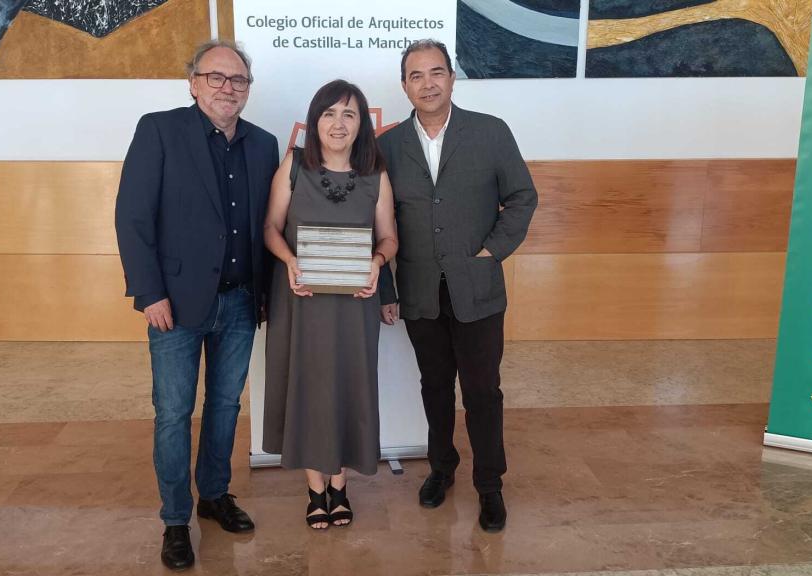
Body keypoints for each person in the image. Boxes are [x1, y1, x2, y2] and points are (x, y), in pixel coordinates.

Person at [114, 40, 279, 570]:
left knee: (226, 406)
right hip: (175, 305)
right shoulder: (159, 130)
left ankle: (213, 495)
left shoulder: (264, 144)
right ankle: (175, 518)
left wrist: (269, 296)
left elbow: (267, 228)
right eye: (217, 78)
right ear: (192, 82)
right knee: (173, 413)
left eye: (239, 80)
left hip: (239, 302)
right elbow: (132, 217)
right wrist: (149, 292)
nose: (228, 88)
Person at [378, 40, 538, 532]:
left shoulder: (490, 133)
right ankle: (442, 469)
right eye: (416, 75)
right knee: (434, 388)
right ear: (404, 85)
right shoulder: (386, 145)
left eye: (436, 73)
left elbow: (522, 197)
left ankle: (490, 486)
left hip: (478, 289)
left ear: (452, 78)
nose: (427, 83)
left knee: (483, 392)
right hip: (420, 291)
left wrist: (492, 252)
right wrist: (387, 290)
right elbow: (375, 222)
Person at [262, 79, 398, 530]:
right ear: (314, 119)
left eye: (349, 114)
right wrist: (289, 261)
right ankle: (315, 490)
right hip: (301, 302)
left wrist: (379, 262)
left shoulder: (376, 175)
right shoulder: (293, 166)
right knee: (307, 386)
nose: (338, 124)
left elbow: (389, 237)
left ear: (362, 125)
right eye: (329, 113)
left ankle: (340, 486)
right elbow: (271, 229)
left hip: (355, 304)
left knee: (346, 385)